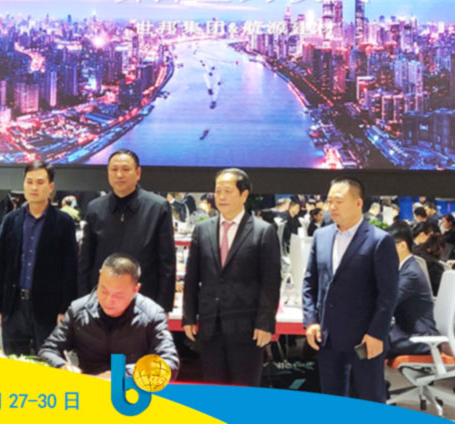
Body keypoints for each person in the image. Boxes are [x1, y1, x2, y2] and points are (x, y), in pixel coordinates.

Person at [302, 177, 398, 403]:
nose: (332, 207)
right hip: (328, 336)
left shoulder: (379, 240)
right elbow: (310, 282)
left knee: (369, 398)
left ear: (358, 203)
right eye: (329, 201)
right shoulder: (321, 236)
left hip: (364, 338)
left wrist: (376, 333)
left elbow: (388, 294)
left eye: (338, 201)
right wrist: (311, 321)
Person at [182, 168, 281, 386]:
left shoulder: (263, 231)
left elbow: (271, 282)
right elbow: (192, 277)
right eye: (218, 191)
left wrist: (265, 323)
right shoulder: (202, 230)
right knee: (214, 390)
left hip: (247, 328)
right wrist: (188, 316)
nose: (221, 197)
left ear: (244, 195)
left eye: (228, 191)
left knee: (243, 392)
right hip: (210, 327)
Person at [39, 254, 179, 379]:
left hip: (132, 391)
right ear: (99, 277)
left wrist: (121, 374)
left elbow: (169, 364)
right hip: (88, 388)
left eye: (118, 295)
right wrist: (62, 366)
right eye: (103, 291)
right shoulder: (78, 309)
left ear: (135, 290)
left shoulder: (152, 315)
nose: (108, 300)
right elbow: (48, 349)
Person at [0, 160, 78, 355]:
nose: (34, 187)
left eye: (40, 182)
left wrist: (65, 308)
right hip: (13, 306)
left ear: (51, 186)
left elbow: (70, 269)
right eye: (29, 182)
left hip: (48, 308)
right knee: (14, 361)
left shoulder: (63, 222)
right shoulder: (11, 220)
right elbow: (0, 265)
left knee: (48, 360)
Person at [78, 149, 175, 312]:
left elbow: (167, 263)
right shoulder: (95, 208)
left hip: (144, 304)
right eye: (114, 169)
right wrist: (84, 302)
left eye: (125, 169)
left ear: (138, 173)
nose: (119, 175)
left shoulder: (158, 208)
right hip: (102, 304)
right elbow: (86, 262)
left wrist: (163, 308)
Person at [387, 226, 438, 358]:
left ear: (402, 246)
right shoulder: (403, 268)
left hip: (418, 337)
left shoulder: (411, 273)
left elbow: (388, 301)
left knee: (367, 344)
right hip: (405, 331)